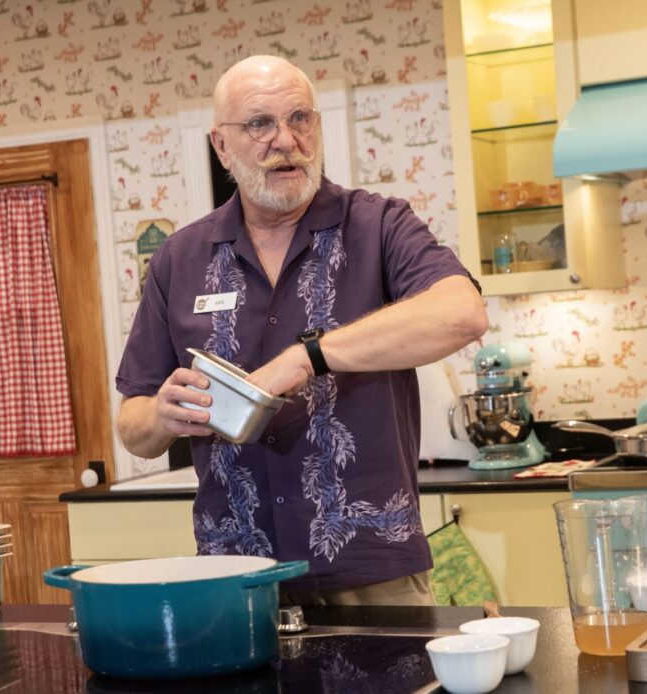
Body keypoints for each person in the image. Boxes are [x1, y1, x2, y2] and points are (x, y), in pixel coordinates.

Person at [115, 55, 488, 606]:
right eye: (260, 124)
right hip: (236, 577)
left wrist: (303, 358)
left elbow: (463, 313)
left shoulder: (379, 223)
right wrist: (163, 416)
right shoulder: (180, 257)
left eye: (300, 119)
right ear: (222, 146)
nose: (286, 140)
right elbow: (132, 425)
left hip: (371, 568)